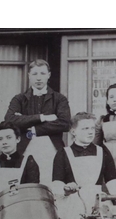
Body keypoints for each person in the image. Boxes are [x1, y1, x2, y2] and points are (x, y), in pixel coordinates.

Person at [5, 59, 71, 187]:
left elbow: (65, 123)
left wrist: (33, 127)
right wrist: (42, 117)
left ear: (49, 75)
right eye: (35, 74)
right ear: (29, 75)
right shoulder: (19, 99)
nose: (39, 78)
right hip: (25, 147)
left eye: (42, 73)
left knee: (51, 184)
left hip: (51, 148)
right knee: (27, 185)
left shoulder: (59, 99)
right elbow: (9, 120)